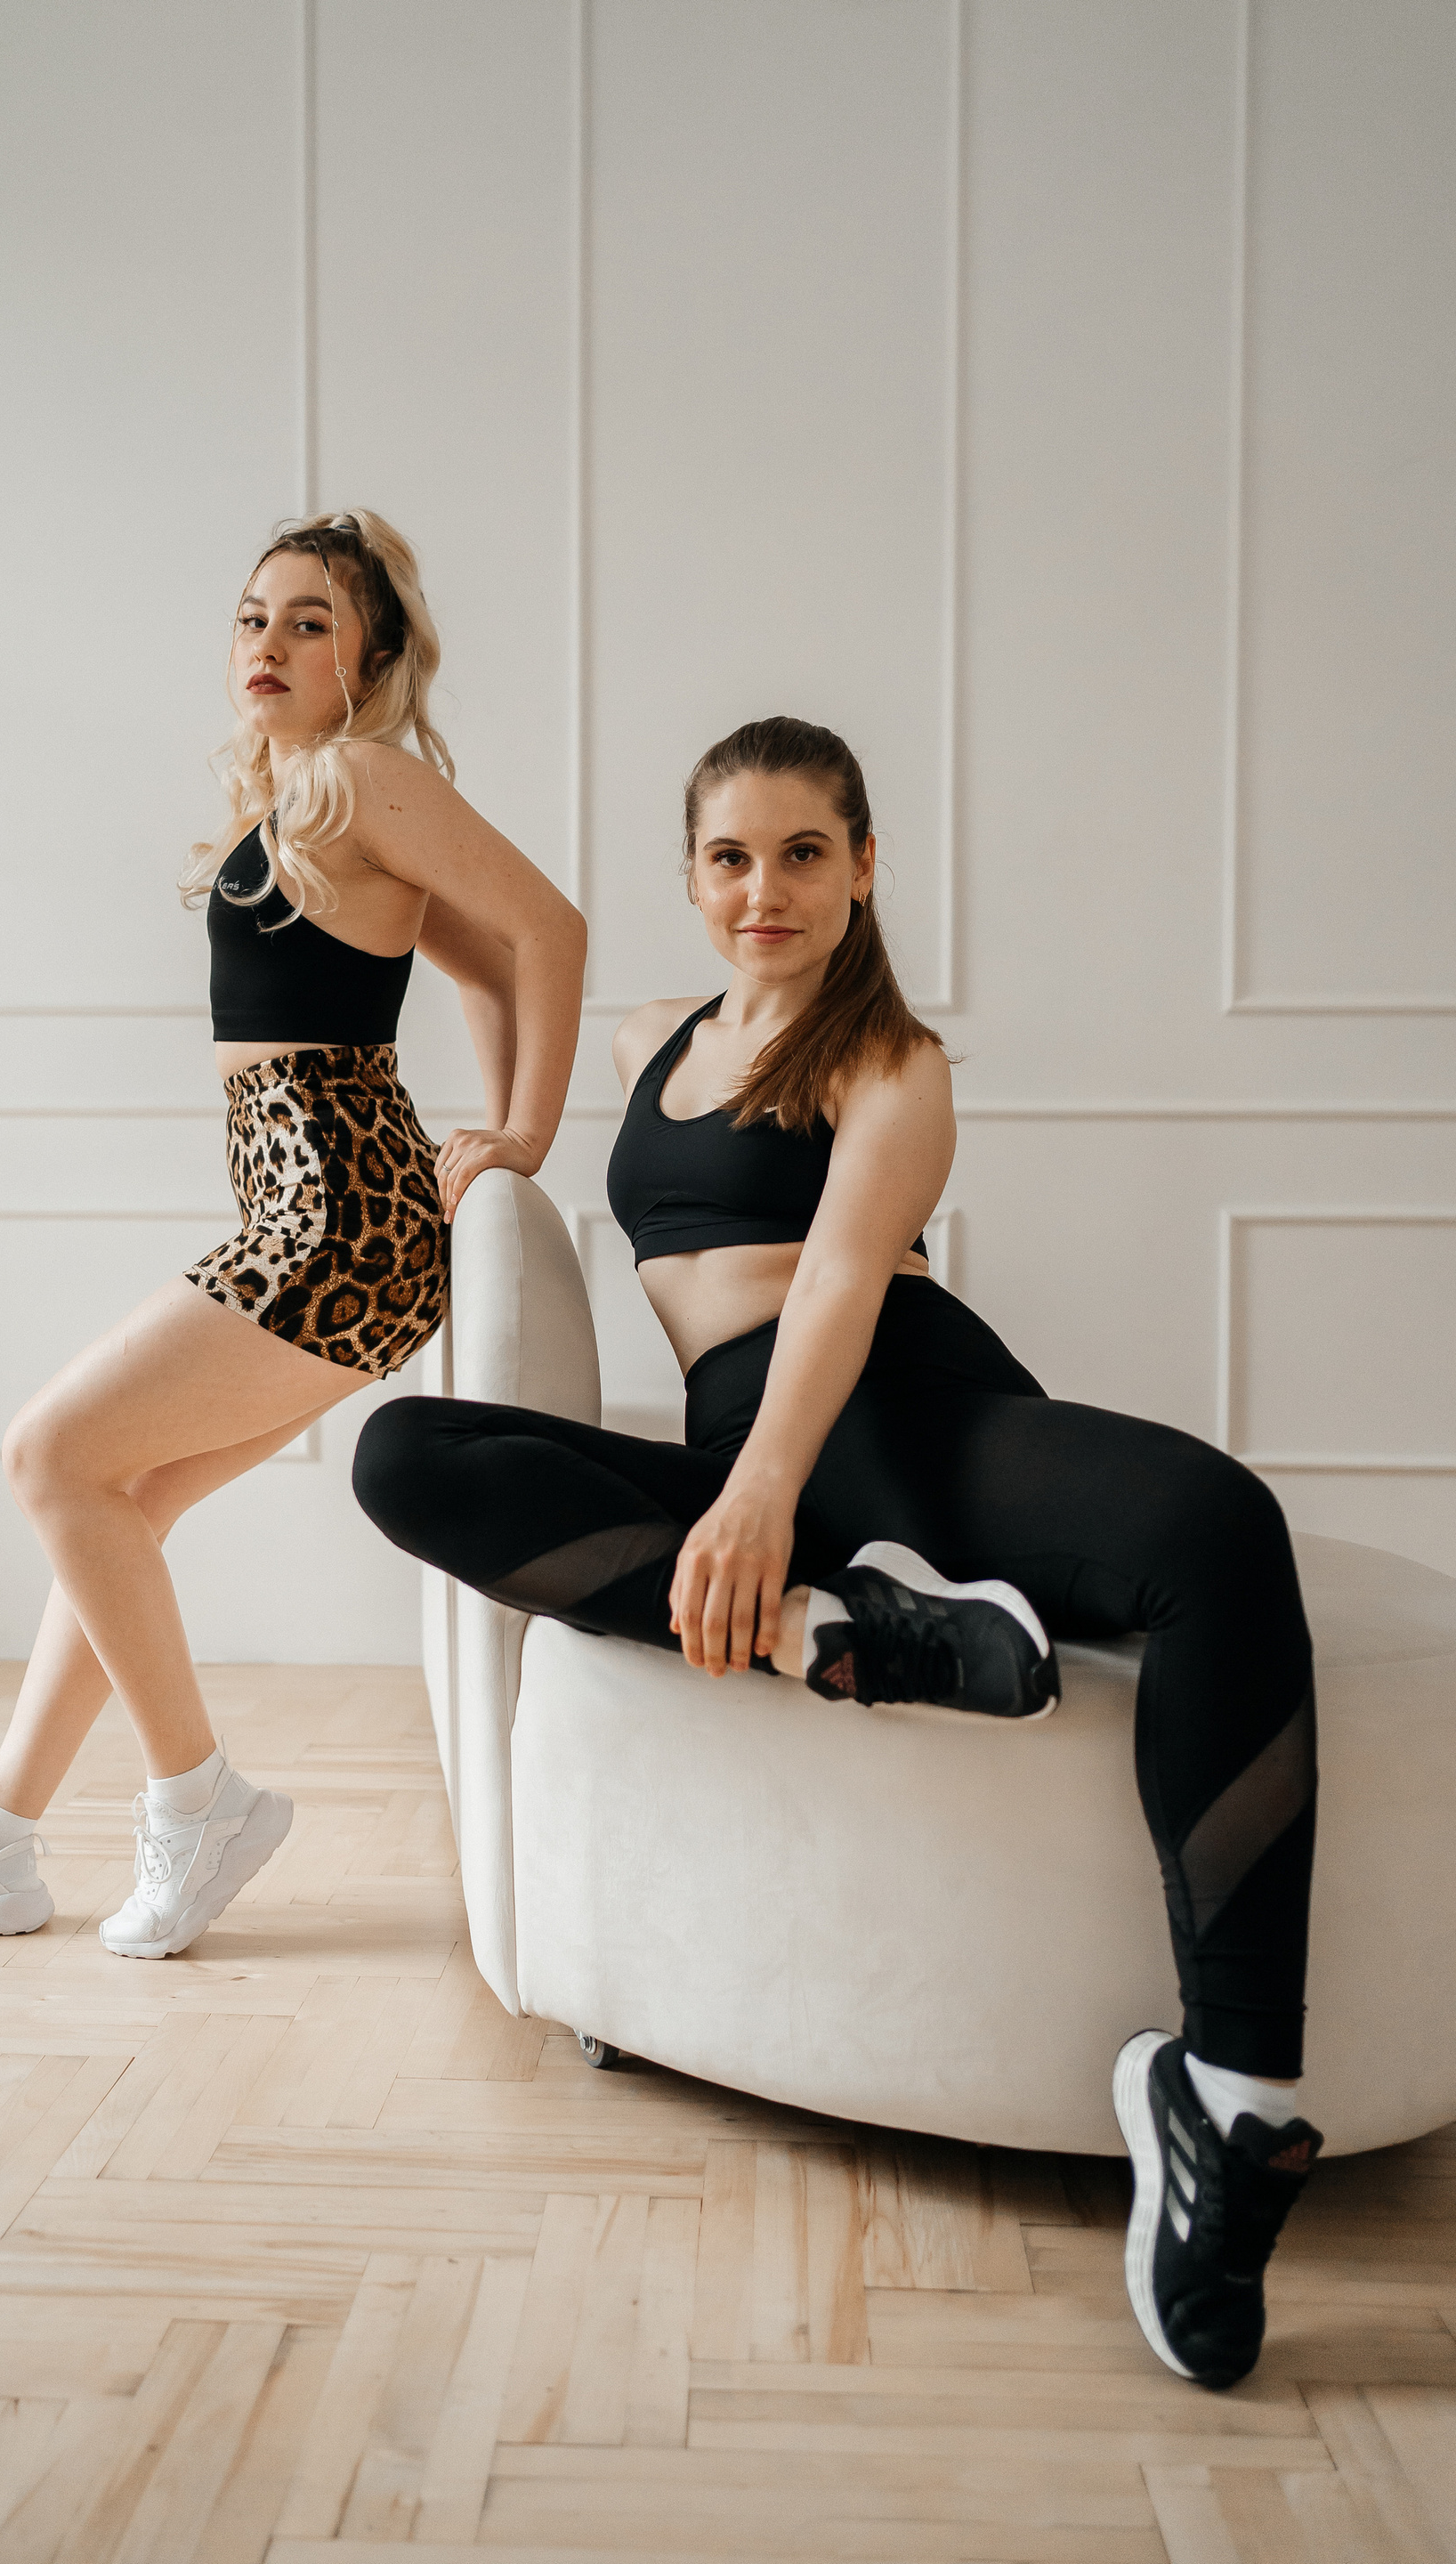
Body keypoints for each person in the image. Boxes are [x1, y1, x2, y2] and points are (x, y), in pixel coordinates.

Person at [352, 713, 1323, 2393]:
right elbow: (494, 947)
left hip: (911, 1416)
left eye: (805, 853)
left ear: (865, 867)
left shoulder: (892, 1061)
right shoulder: (652, 1039)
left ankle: (1230, 2105)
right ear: (689, 876)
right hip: (768, 1465)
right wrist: (506, 1135)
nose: (766, 891)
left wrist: (754, 1495)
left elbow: (839, 1289)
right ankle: (839, 1626)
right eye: (732, 857)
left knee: (1222, 1528)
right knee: (405, 1455)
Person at [0, 508, 586, 1963]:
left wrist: (520, 1135)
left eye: (310, 621)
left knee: (51, 1456)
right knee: (117, 1497)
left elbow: (546, 930)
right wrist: (487, 1123)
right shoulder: (298, 801)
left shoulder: (365, 778)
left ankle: (198, 1803)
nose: (269, 643)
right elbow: (482, 966)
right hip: (307, 1220)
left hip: (338, 1226)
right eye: (253, 617)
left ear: (370, 659)